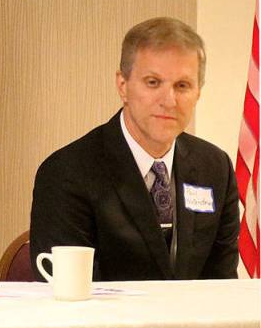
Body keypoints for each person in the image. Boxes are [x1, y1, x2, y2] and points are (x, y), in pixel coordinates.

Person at [29, 17, 240, 281]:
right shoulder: (67, 173)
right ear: (123, 86)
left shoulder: (215, 168)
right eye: (153, 82)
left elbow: (221, 287)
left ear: (198, 93)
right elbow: (69, 298)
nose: (169, 101)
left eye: (182, 86)